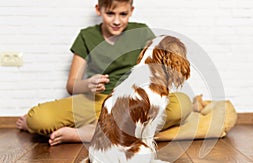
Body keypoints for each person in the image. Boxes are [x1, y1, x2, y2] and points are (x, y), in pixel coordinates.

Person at [16, 0, 192, 146]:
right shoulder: (87, 36)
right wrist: (88, 84)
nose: (116, 21)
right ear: (98, 10)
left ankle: (87, 133)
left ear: (131, 11)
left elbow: (155, 69)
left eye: (123, 14)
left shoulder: (141, 31)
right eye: (110, 14)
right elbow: (71, 85)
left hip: (132, 103)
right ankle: (107, 129)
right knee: (37, 119)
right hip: (96, 100)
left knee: (182, 105)